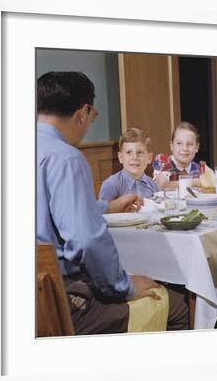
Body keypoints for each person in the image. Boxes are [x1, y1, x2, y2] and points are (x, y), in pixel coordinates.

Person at [36, 71, 188, 334]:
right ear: (83, 112)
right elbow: (86, 241)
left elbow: (49, 212)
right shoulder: (67, 159)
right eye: (93, 116)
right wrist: (125, 287)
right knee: (177, 306)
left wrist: (108, 206)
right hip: (62, 299)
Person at [99, 128, 159, 201]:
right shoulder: (111, 185)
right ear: (120, 157)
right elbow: (103, 211)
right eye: (128, 152)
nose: (134, 157)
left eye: (139, 152)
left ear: (149, 158)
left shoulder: (153, 185)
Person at [152, 121, 202, 188]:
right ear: (172, 146)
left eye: (189, 144)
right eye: (179, 143)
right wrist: (197, 182)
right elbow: (161, 185)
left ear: (197, 147)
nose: (185, 148)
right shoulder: (163, 162)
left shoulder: (198, 168)